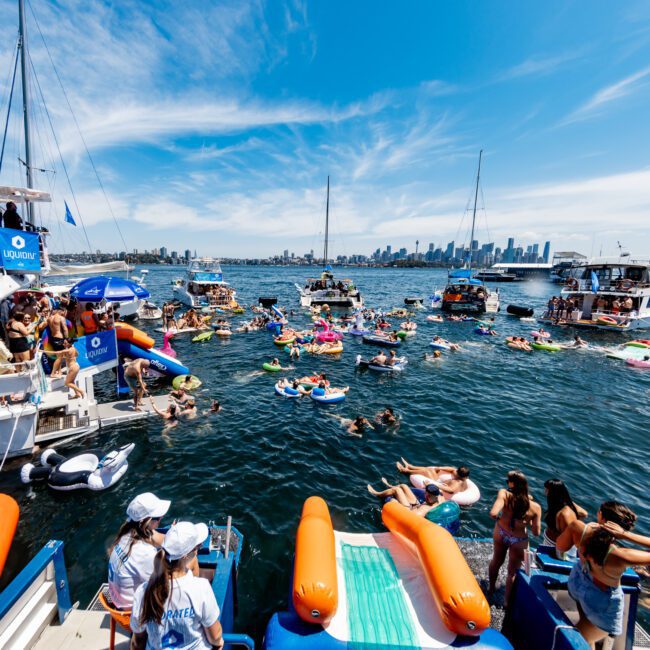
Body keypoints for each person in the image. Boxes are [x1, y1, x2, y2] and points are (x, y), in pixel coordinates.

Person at [556, 501, 650, 647]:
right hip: (601, 601)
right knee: (582, 640)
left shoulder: (579, 528)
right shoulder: (621, 556)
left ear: (600, 516)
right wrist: (626, 536)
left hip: (578, 583)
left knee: (586, 635)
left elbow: (560, 546)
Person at [130, 521, 224, 650]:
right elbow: (215, 636)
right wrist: (219, 643)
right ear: (188, 555)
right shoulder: (201, 588)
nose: (199, 548)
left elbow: (137, 642)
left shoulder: (142, 592)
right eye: (197, 546)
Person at [108, 492, 171, 610]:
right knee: (188, 565)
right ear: (146, 522)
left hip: (118, 601)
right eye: (158, 518)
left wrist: (172, 536)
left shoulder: (126, 534)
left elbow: (156, 537)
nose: (161, 519)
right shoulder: (144, 553)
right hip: (133, 612)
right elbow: (164, 586)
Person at [488, 470, 542, 605]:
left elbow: (493, 513)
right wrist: (527, 522)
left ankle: (491, 588)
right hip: (518, 540)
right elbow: (536, 532)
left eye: (508, 481)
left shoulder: (504, 494)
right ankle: (506, 601)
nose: (506, 484)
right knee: (512, 573)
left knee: (496, 561)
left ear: (512, 484)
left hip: (501, 532)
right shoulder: (535, 507)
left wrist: (501, 519)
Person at [543, 479, 588, 557]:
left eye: (547, 490)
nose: (545, 492)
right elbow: (584, 513)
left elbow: (568, 538)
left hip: (557, 551)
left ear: (554, 493)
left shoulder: (564, 514)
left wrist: (561, 555)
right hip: (550, 545)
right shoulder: (559, 505)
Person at [367, 480, 444, 517]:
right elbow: (441, 493)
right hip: (417, 505)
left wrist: (396, 503)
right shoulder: (440, 498)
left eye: (429, 496)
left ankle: (376, 493)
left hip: (408, 510)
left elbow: (411, 517)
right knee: (404, 486)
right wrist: (428, 485)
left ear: (435, 496)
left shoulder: (425, 509)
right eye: (425, 494)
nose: (426, 497)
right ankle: (390, 485)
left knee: (396, 490)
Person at [396, 459, 469, 496]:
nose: (454, 472)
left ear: (458, 474)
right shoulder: (463, 478)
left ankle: (405, 471)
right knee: (431, 470)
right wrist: (440, 468)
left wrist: (434, 484)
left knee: (426, 472)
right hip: (440, 482)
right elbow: (453, 469)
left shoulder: (458, 482)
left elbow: (451, 490)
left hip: (439, 485)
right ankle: (411, 466)